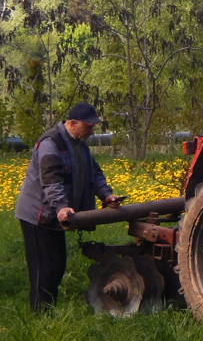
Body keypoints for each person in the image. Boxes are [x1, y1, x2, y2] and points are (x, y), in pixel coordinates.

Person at [14, 102, 122, 311]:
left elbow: (95, 173)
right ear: (73, 123)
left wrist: (106, 195)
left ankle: (47, 310)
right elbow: (51, 181)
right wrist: (62, 206)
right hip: (37, 214)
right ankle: (40, 316)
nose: (91, 131)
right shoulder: (51, 143)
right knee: (44, 268)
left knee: (57, 264)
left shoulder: (80, 143)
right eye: (88, 126)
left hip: (54, 212)